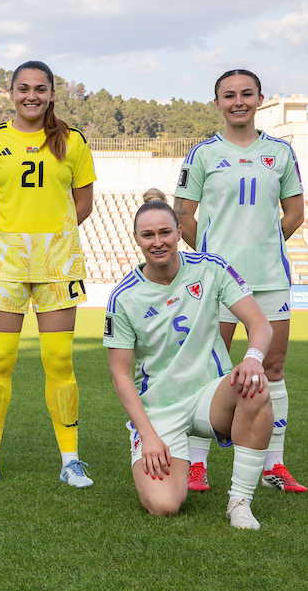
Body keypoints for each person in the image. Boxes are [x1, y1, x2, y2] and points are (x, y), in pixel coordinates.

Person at [106, 190, 274, 529]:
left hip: (210, 395)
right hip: (160, 410)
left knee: (255, 385)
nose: (158, 242)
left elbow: (259, 323)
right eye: (148, 235)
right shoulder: (123, 297)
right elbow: (120, 375)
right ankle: (167, 457)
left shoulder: (210, 268)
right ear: (136, 239)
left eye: (165, 232)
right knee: (164, 505)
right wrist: (148, 434)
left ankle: (240, 502)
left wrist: (253, 359)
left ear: (179, 232)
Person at [173, 69, 306, 494]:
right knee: (206, 369)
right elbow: (182, 217)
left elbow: (295, 214)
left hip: (269, 279)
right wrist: (214, 260)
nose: (238, 102)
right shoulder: (203, 154)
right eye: (229, 95)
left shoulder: (280, 153)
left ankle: (273, 465)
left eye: (247, 94)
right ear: (217, 103)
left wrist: (264, 245)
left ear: (260, 99)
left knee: (272, 368)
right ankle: (196, 465)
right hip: (215, 283)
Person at [0, 60, 96, 488]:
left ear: (53, 94)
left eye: (40, 89)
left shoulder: (73, 141)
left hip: (57, 264)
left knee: (59, 360)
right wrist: (11, 241)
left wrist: (51, 240)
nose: (31, 96)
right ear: (11, 93)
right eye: (23, 88)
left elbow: (83, 203)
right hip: (5, 265)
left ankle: (70, 460)